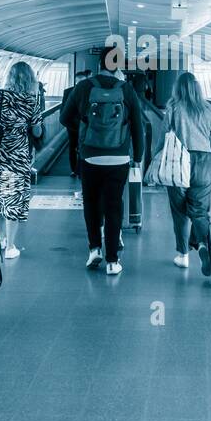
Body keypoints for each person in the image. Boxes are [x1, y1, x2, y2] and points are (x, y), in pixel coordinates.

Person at [60, 48, 145, 276]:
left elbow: (63, 117)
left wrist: (85, 130)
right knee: (114, 205)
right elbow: (138, 126)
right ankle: (112, 261)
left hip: (90, 155)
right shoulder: (126, 90)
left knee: (91, 202)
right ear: (118, 66)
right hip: (118, 157)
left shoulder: (83, 87)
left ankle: (94, 248)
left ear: (99, 64)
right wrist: (137, 156)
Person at [157, 72, 211, 270]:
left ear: (177, 88)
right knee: (199, 212)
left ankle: (183, 255)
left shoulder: (173, 108)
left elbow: (163, 139)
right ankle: (205, 246)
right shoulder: (207, 110)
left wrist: (154, 167)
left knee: (180, 212)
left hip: (178, 162)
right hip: (204, 163)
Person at [0, 61, 42, 260]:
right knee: (13, 200)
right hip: (16, 158)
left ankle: (2, 238)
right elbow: (37, 130)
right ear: (30, 79)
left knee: (1, 197)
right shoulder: (30, 101)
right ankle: (10, 246)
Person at [64, 70, 90, 179]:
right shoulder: (68, 92)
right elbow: (63, 111)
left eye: (82, 82)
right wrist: (69, 125)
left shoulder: (91, 91)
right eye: (78, 82)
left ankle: (80, 169)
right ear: (75, 81)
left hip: (86, 126)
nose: (80, 85)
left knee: (83, 148)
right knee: (72, 148)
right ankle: (74, 170)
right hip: (72, 126)